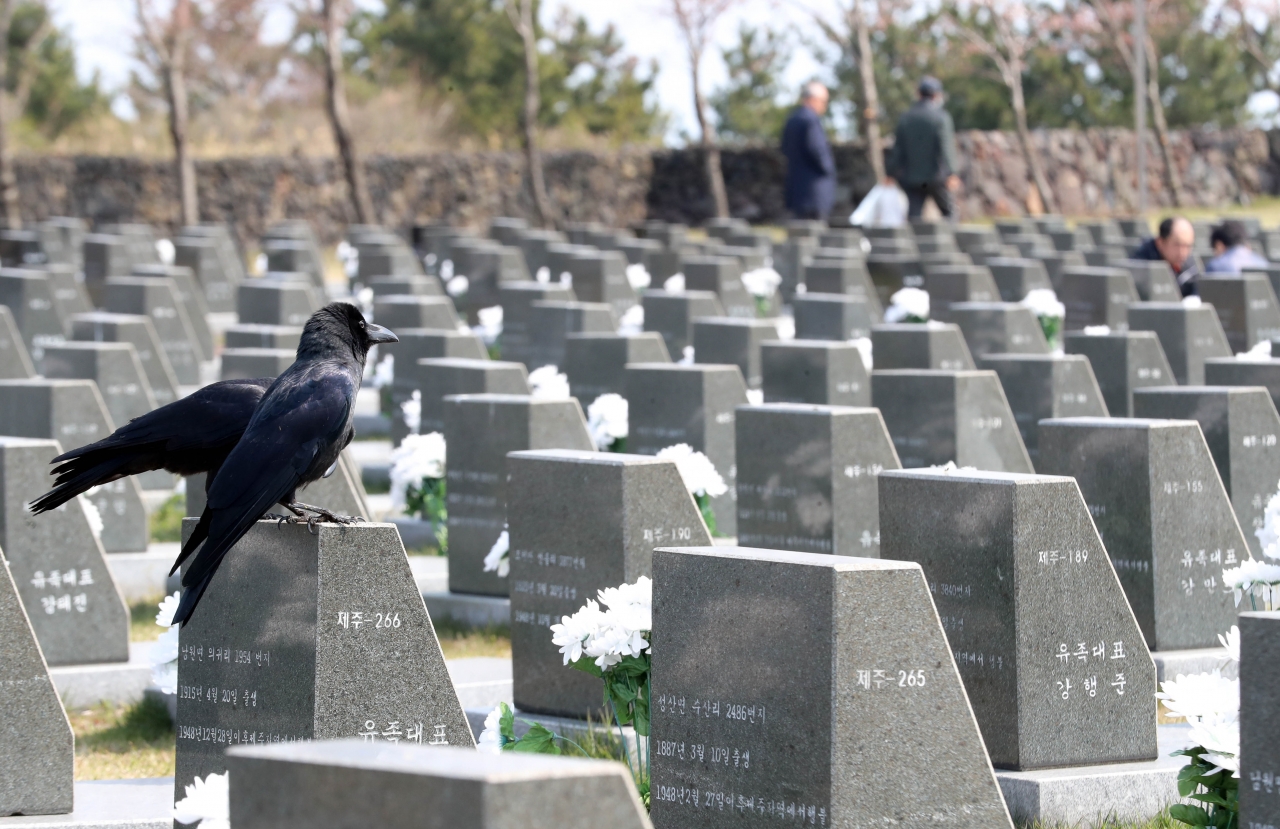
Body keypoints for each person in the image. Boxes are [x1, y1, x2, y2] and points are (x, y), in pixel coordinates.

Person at [887, 76, 960, 220]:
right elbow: (946, 146)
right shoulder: (941, 117)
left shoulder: (906, 118)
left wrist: (890, 173)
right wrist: (952, 172)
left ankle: (914, 242)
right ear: (936, 95)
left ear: (919, 94)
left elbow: (897, 149)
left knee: (914, 216)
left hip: (912, 177)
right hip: (935, 176)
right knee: (949, 213)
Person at [781, 82, 836, 221]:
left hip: (797, 189)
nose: (824, 106)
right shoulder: (810, 120)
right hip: (814, 191)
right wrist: (829, 170)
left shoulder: (792, 119)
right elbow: (817, 151)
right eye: (824, 101)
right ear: (813, 99)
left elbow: (784, 148)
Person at [1132, 217, 1201, 296]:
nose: (1182, 252)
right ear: (1160, 242)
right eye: (1177, 244)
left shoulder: (1191, 268)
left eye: (1188, 246)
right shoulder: (1140, 264)